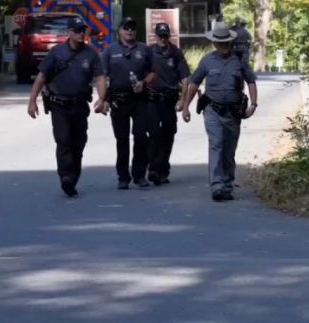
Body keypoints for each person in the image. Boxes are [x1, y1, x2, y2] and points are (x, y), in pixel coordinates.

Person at [27, 17, 107, 198]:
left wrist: (102, 99)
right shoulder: (57, 53)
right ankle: (65, 176)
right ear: (69, 33)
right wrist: (32, 102)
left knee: (78, 143)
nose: (81, 34)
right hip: (59, 105)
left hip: (80, 105)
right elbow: (41, 77)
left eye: (83, 31)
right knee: (63, 140)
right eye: (78, 30)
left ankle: (73, 177)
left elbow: (100, 77)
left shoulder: (91, 54)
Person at [181, 20, 258, 201]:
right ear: (214, 43)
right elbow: (194, 84)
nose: (223, 45)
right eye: (220, 42)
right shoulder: (207, 60)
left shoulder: (239, 61)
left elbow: (251, 82)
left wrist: (253, 104)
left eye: (226, 42)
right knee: (216, 144)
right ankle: (217, 185)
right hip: (212, 111)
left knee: (229, 150)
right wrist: (186, 106)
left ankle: (227, 184)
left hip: (233, 113)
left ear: (230, 42)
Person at [101, 17, 156, 190]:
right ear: (120, 31)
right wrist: (103, 100)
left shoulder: (145, 50)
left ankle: (139, 175)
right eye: (126, 28)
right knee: (122, 140)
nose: (130, 31)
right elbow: (102, 78)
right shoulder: (110, 52)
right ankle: (123, 176)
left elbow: (154, 73)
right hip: (119, 101)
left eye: (132, 28)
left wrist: (144, 83)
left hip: (140, 100)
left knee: (140, 137)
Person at [146, 22, 189, 185]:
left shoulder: (176, 53)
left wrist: (182, 100)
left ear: (169, 36)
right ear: (155, 36)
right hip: (152, 99)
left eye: (165, 36)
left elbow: (185, 78)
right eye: (160, 35)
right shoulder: (148, 52)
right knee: (154, 134)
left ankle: (162, 170)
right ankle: (153, 168)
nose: (163, 39)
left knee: (168, 135)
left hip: (169, 100)